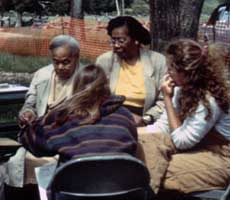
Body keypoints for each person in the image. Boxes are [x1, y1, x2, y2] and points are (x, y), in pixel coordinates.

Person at [138, 39, 230, 195]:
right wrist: (131, 132)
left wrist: (166, 99)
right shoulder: (181, 89)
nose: (167, 73)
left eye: (171, 68)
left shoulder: (209, 99)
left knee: (153, 169)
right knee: (144, 150)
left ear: (186, 72)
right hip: (197, 147)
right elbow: (163, 127)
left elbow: (182, 142)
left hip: (220, 157)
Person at [6, 34, 81, 191]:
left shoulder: (86, 77)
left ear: (76, 57)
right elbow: (30, 104)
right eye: (56, 62)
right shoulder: (42, 75)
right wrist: (27, 113)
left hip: (73, 139)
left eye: (66, 62)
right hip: (42, 138)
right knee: (15, 164)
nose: (60, 67)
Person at [19, 64, 137, 162]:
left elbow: (34, 144)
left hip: (73, 188)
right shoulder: (125, 115)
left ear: (76, 87)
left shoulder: (63, 117)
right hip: (120, 187)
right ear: (106, 86)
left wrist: (28, 126)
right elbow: (133, 147)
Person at [96, 16, 167, 126]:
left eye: (121, 40)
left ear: (136, 40)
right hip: (111, 118)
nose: (116, 45)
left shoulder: (158, 61)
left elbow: (165, 100)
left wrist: (146, 119)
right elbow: (94, 96)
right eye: (113, 40)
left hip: (145, 120)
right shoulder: (104, 61)